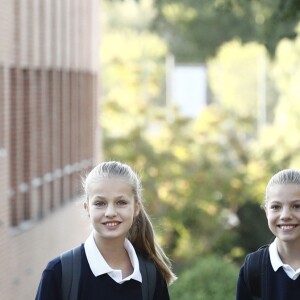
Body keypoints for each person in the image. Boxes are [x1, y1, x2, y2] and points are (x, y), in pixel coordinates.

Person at [35, 161, 176, 300]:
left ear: (136, 208)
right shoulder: (58, 273)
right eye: (100, 203)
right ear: (87, 208)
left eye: (121, 202)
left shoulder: (151, 276)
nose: (110, 212)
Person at [236, 169, 300, 299]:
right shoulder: (253, 268)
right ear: (266, 212)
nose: (286, 215)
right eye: (276, 207)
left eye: (297, 206)